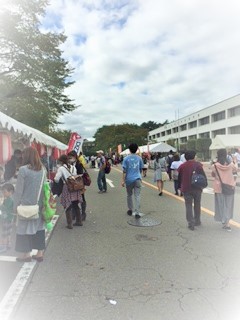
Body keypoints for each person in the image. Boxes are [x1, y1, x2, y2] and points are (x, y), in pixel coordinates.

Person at [14, 147, 46, 262]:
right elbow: (45, 188)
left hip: (25, 206)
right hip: (39, 205)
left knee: (23, 230)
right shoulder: (43, 169)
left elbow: (18, 191)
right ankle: (40, 253)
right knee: (39, 228)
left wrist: (15, 206)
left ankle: (26, 255)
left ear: (26, 156)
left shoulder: (23, 170)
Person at [178, 150, 207, 231]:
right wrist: (203, 185)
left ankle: (191, 223)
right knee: (197, 205)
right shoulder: (198, 165)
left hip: (186, 189)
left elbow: (179, 178)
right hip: (197, 188)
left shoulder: (182, 166)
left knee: (188, 205)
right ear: (194, 156)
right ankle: (197, 221)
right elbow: (203, 176)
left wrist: (179, 187)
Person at [211, 148, 237, 232]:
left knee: (221, 205)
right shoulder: (231, 165)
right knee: (229, 205)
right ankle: (227, 223)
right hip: (230, 187)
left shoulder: (214, 165)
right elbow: (236, 169)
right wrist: (234, 161)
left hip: (219, 187)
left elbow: (213, 174)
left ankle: (223, 220)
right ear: (226, 155)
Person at [54, 154, 83, 228]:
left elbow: (56, 179)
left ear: (61, 161)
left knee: (68, 206)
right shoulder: (73, 167)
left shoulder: (61, 168)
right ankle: (79, 221)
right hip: (75, 187)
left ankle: (70, 224)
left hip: (67, 187)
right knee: (75, 204)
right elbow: (75, 176)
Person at [122, 143, 144, 219]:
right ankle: (137, 212)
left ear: (129, 150)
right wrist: (138, 175)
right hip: (137, 178)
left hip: (129, 180)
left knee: (129, 195)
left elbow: (124, 171)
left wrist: (123, 180)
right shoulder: (139, 158)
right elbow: (141, 169)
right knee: (137, 196)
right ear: (137, 149)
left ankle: (130, 210)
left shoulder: (126, 159)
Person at [68, 150, 87, 221]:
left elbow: (81, 174)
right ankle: (74, 213)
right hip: (72, 184)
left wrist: (74, 176)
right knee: (73, 199)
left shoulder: (79, 164)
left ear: (75, 157)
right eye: (69, 157)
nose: (70, 159)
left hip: (79, 184)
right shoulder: (69, 165)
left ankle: (83, 213)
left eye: (71, 157)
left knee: (82, 198)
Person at [0, 183, 15, 253]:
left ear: (10, 192)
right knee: (8, 233)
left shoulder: (9, 200)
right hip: (9, 219)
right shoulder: (9, 199)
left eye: (4, 192)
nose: (3, 193)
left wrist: (1, 204)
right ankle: (8, 244)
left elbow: (5, 209)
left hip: (6, 219)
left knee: (4, 233)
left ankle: (3, 246)